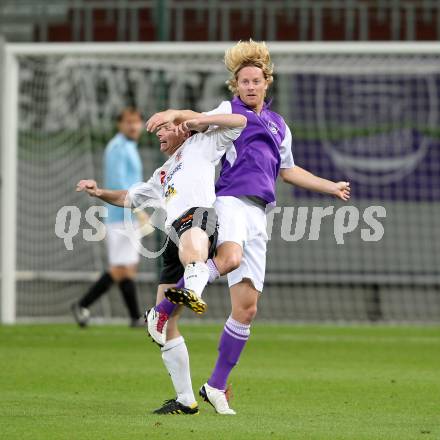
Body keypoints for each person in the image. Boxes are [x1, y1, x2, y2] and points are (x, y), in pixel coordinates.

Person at [145, 39, 351, 415]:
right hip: (231, 201)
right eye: (244, 81)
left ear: (267, 82)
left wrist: (329, 185)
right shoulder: (229, 111)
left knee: (247, 308)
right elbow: (198, 116)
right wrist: (177, 113)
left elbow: (287, 171)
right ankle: (162, 308)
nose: (251, 86)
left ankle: (216, 386)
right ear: (236, 86)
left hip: (260, 213)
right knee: (228, 257)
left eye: (256, 80)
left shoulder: (279, 126)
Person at [76, 112, 247, 415]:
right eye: (157, 133)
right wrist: (98, 191)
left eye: (165, 129)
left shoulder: (203, 142)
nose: (160, 135)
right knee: (164, 326)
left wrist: (186, 118)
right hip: (172, 236)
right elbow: (129, 197)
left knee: (194, 240)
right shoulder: (162, 174)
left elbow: (239, 122)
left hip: (198, 217)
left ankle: (193, 289)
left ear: (181, 128)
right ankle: (185, 399)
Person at [71, 107, 146, 328]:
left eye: (136, 122)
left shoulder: (130, 146)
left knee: (128, 267)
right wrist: (138, 210)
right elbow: (118, 183)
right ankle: (82, 304)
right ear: (120, 124)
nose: (133, 126)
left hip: (127, 215)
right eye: (129, 122)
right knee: (120, 268)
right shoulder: (117, 147)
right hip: (120, 214)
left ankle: (134, 317)